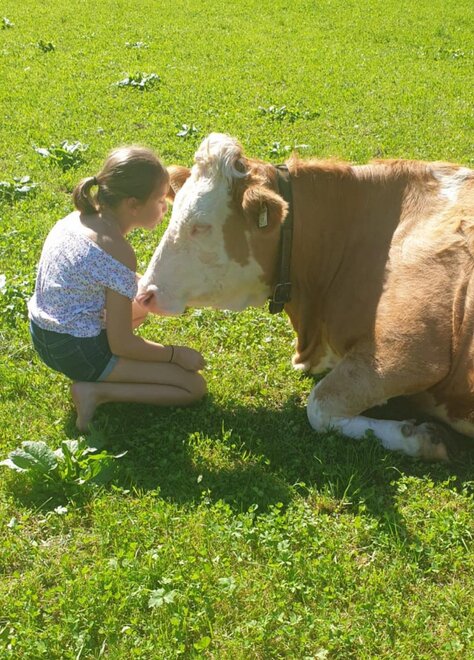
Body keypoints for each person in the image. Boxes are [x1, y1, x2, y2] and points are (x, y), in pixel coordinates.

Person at [28, 146, 207, 432]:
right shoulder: (118, 251)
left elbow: (110, 278)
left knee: (140, 303)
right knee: (192, 386)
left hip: (44, 334)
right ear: (133, 205)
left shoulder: (76, 220)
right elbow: (122, 343)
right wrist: (175, 354)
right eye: (160, 200)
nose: (164, 208)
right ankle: (95, 392)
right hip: (79, 350)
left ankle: (107, 374)